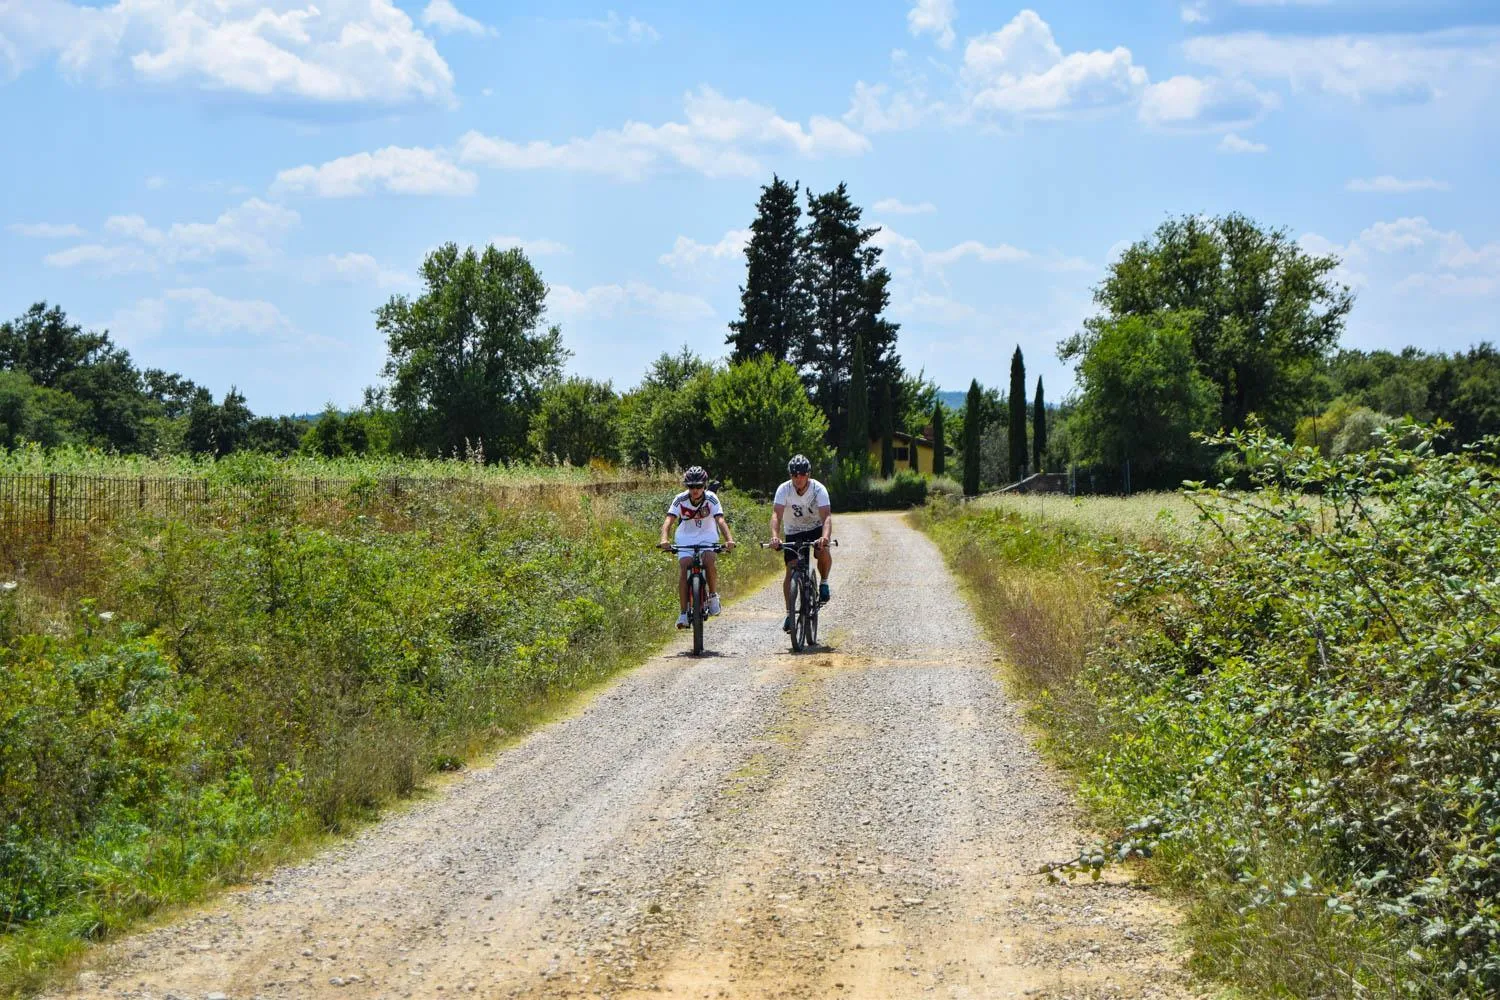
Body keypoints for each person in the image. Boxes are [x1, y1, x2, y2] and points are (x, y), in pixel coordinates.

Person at [658, 466, 736, 628]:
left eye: (699, 486)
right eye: (691, 486)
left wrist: (729, 540)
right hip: (685, 536)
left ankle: (713, 596)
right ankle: (683, 613)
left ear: (705, 485)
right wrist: (664, 539)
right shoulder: (679, 499)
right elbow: (668, 521)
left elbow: (720, 520)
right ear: (687, 486)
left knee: (709, 561)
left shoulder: (712, 498)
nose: (695, 490)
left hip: (707, 535)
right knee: (684, 565)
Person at [769, 454, 832, 633]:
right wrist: (775, 536)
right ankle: (790, 613)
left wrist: (825, 537)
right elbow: (776, 515)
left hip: (815, 528)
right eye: (795, 475)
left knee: (823, 551)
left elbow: (826, 516)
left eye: (802, 474)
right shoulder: (783, 490)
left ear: (808, 474)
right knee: (791, 569)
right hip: (793, 531)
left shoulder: (819, 489)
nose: (798, 478)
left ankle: (824, 582)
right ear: (790, 475)